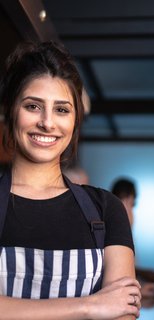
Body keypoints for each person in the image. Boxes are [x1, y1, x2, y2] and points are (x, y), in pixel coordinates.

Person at [0, 41, 141, 319]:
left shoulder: (106, 209)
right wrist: (89, 306)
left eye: (62, 110)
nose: (47, 123)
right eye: (33, 106)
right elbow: (107, 307)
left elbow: (123, 311)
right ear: (10, 110)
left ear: (75, 121)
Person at [111, 178, 154, 300]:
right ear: (127, 199)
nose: (131, 212)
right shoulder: (113, 224)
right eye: (131, 204)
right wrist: (139, 290)